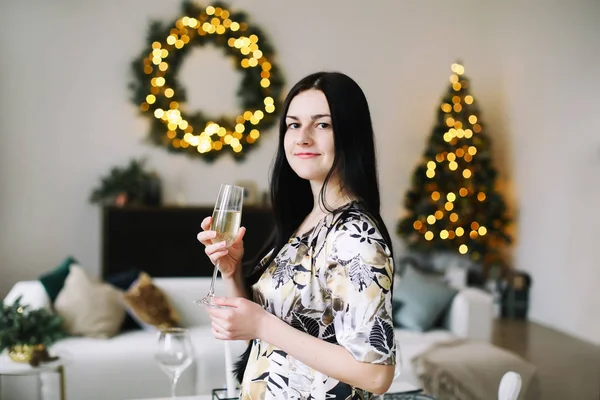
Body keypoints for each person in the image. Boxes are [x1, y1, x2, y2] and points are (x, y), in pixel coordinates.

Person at [197, 71, 396, 399]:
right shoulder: (307, 220)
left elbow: (375, 374)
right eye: (293, 124)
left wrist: (261, 324)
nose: (302, 137)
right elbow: (268, 334)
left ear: (351, 134)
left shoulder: (355, 236)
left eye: (322, 124)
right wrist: (233, 270)